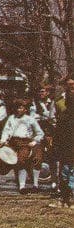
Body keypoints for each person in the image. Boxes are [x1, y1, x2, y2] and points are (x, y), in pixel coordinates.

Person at [0, 99, 44, 194]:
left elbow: (40, 133)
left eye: (21, 108)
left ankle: (35, 185)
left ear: (25, 109)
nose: (18, 110)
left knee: (30, 161)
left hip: (26, 142)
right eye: (17, 107)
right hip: (14, 142)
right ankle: (22, 186)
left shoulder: (30, 119)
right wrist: (3, 141)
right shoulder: (11, 118)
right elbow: (6, 131)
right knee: (18, 162)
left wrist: (35, 141)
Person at [50, 76, 74, 208]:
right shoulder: (61, 108)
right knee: (64, 170)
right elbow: (56, 125)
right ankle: (64, 197)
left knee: (72, 171)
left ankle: (71, 197)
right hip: (65, 143)